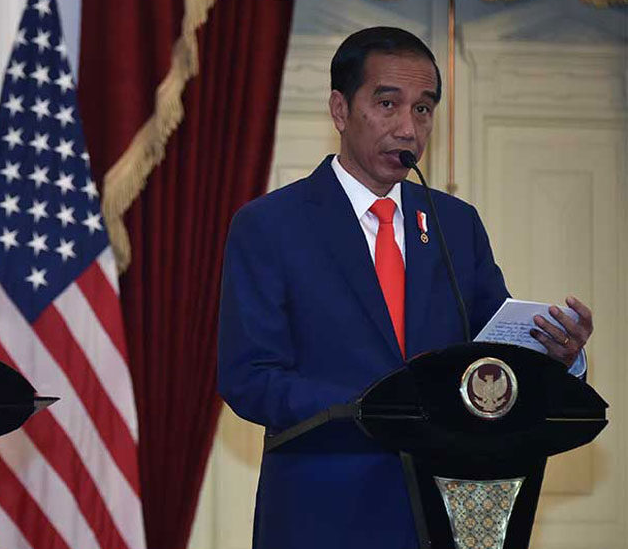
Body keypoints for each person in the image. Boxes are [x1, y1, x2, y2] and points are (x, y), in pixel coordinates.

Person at [217, 27, 593, 549]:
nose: (408, 127)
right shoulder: (270, 225)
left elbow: (491, 355)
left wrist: (557, 357)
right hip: (321, 515)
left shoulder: (455, 224)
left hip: (444, 513)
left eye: (423, 109)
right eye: (387, 103)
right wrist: (378, 407)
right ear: (340, 110)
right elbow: (250, 377)